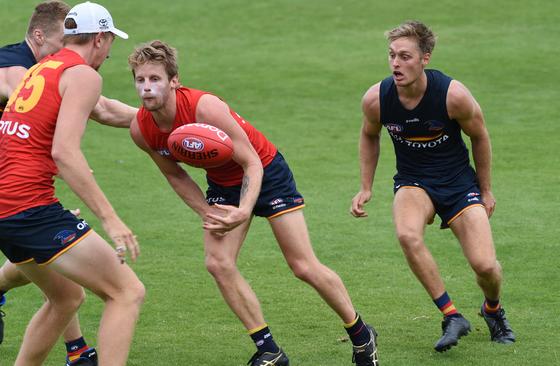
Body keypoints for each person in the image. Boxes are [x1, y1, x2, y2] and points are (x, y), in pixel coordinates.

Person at [128, 40, 378, 366]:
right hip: (222, 183)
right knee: (217, 262)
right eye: (140, 80)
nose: (147, 88)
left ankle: (361, 334)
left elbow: (251, 163)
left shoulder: (206, 108)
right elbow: (175, 176)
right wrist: (207, 211)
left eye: (155, 79)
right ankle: (269, 349)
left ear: (174, 80)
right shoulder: (141, 130)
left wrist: (245, 210)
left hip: (267, 171)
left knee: (302, 265)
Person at [350, 20, 516, 353]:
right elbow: (369, 134)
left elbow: (480, 137)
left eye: (405, 56)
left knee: (485, 266)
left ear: (425, 58)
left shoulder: (453, 95)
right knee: (407, 235)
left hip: (458, 184)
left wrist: (486, 190)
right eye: (392, 55)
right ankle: (451, 315)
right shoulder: (377, 99)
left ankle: (492, 309)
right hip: (414, 182)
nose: (396, 64)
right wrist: (365, 186)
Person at [0, 2, 145, 365]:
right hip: (28, 207)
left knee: (66, 298)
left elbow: (104, 112)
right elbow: (65, 152)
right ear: (100, 38)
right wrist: (112, 219)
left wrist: (163, 118)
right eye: (110, 42)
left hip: (5, 208)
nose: (109, 51)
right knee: (127, 291)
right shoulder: (82, 74)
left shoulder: (41, 68)